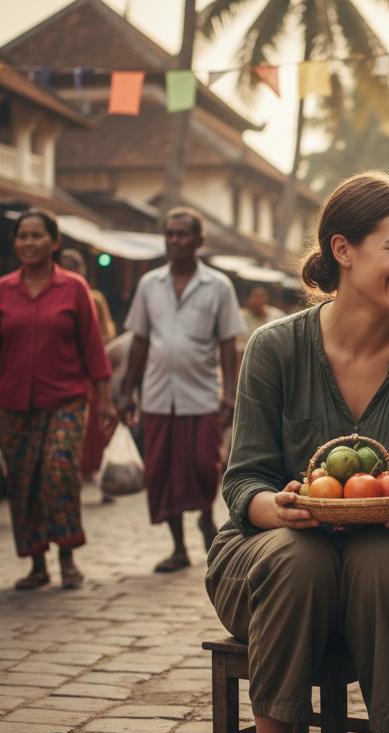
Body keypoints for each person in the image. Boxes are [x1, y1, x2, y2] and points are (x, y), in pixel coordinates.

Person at [208, 172, 389, 733]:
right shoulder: (274, 348)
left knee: (381, 559)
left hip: (388, 575)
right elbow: (243, 482)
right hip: (264, 567)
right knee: (302, 555)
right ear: (343, 250)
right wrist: (283, 510)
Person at [0, 209, 115, 591]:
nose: (29, 243)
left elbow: (93, 347)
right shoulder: (2, 290)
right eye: (23, 236)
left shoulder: (74, 288)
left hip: (66, 399)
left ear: (54, 242)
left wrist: (104, 399)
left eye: (37, 236)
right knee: (23, 481)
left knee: (59, 469)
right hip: (14, 402)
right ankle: (37, 563)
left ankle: (67, 557)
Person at [118, 207, 242, 571]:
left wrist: (230, 394)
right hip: (157, 395)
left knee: (205, 465)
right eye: (169, 234)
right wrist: (127, 390)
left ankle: (205, 516)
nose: (174, 240)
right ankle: (178, 548)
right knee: (161, 472)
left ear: (199, 241)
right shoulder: (149, 284)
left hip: (201, 395)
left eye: (182, 234)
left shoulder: (218, 286)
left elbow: (228, 344)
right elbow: (139, 341)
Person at [59, 248, 118, 498]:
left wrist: (92, 352)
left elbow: (106, 332)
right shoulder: (55, 296)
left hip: (93, 372)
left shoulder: (93, 297)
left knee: (97, 429)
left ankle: (104, 478)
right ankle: (77, 476)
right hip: (67, 373)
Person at [236, 284, 286, 358]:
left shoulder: (277, 316)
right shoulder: (239, 318)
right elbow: (237, 346)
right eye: (256, 296)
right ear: (248, 299)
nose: (259, 301)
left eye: (262, 296)